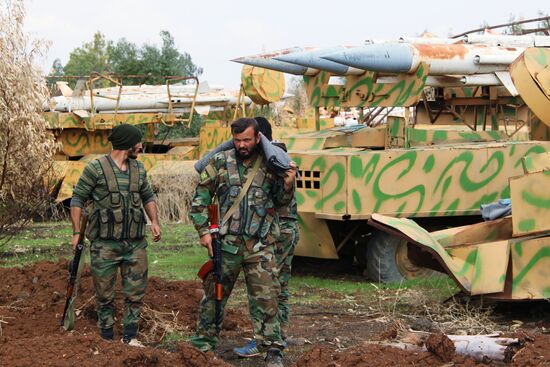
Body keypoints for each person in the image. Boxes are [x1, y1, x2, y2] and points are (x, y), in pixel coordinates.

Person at [189, 117, 296, 366]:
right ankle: (203, 348)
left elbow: (281, 201)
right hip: (226, 246)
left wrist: (288, 184)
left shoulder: (272, 164)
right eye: (237, 140)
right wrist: (204, 231)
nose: (242, 145)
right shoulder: (220, 162)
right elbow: (199, 199)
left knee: (267, 299)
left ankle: (273, 351)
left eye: (247, 139)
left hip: (260, 247)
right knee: (213, 297)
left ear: (258, 138)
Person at [70, 123, 161, 345]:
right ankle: (107, 338)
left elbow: (148, 196)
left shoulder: (138, 169)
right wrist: (75, 232)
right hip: (104, 245)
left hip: (135, 244)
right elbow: (77, 199)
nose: (140, 146)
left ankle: (130, 337)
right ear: (127, 143)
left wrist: (155, 222)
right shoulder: (95, 169)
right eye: (138, 142)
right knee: (104, 296)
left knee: (135, 294)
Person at [233, 117, 299, 358]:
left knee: (265, 287)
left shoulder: (272, 158)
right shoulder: (279, 155)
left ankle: (266, 340)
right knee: (278, 286)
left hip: (279, 229)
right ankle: (277, 336)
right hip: (286, 228)